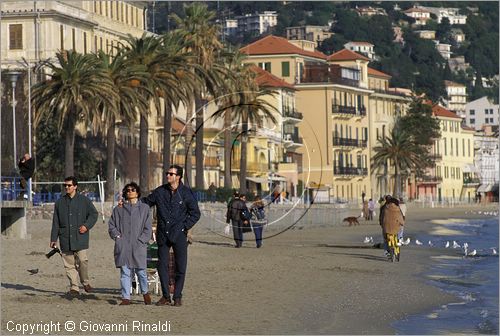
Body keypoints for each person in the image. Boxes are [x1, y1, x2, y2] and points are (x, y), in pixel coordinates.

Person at [141, 165, 200, 307]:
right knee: (162, 266)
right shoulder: (160, 191)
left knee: (181, 266)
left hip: (179, 234)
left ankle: (178, 296)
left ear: (178, 176)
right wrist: (130, 202)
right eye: (167, 173)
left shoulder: (186, 193)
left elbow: (195, 213)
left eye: (171, 174)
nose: (168, 176)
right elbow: (146, 202)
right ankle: (166, 296)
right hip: (162, 234)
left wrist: (184, 227)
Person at [50, 176, 98, 295]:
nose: (67, 187)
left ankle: (85, 282)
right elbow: (55, 222)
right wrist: (53, 239)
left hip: (80, 237)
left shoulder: (84, 200)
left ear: (75, 186)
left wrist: (86, 226)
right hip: (65, 238)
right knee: (69, 264)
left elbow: (93, 214)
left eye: (69, 185)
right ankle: (74, 287)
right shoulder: (59, 203)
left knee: (82, 261)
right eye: (65, 185)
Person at [108, 182, 152, 306]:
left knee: (141, 272)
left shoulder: (144, 209)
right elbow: (111, 225)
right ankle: (126, 297)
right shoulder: (119, 210)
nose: (130, 192)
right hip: (123, 245)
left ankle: (145, 292)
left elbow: (148, 228)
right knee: (125, 272)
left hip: (138, 246)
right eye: (127, 190)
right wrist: (117, 237)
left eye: (133, 189)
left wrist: (142, 240)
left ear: (137, 192)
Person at [380, 196, 405, 261]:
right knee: (397, 238)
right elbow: (400, 218)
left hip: (387, 227)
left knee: (386, 239)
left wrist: (382, 224)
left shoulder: (385, 208)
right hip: (396, 227)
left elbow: (382, 217)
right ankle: (397, 251)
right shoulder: (397, 208)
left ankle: (388, 253)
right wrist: (402, 223)